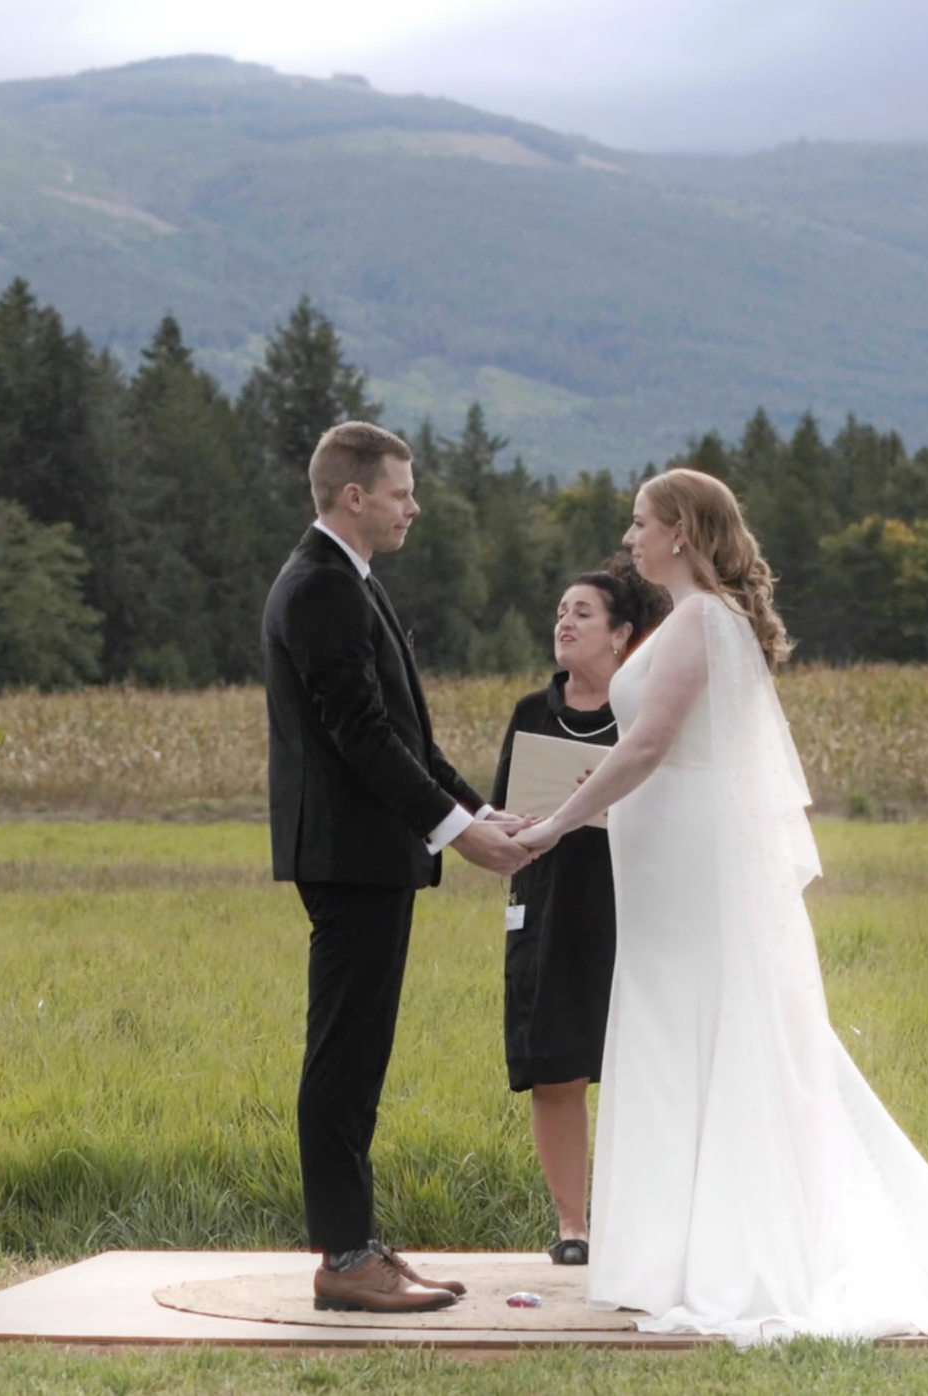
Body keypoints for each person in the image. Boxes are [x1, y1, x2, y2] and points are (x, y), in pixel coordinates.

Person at [513, 468, 928, 1348]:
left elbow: (649, 742)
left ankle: (712, 1254)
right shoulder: (695, 620)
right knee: (675, 1027)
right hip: (666, 859)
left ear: (680, 532)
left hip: (686, 860)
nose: (630, 539)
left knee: (698, 1024)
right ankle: (669, 1252)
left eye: (640, 523)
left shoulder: (701, 621)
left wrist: (557, 823)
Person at [262, 421, 533, 1315]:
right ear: (354, 496)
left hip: (372, 855)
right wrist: (457, 833)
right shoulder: (320, 587)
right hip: (351, 858)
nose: (413, 506)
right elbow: (362, 736)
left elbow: (407, 734)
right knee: (343, 1060)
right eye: (401, 492)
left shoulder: (352, 579)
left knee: (360, 1055)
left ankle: (358, 1243)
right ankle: (345, 1258)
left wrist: (478, 809)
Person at [490, 559, 670, 1266]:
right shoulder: (531, 713)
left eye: (583, 613)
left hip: (631, 901)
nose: (565, 622)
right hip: (550, 902)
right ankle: (574, 1226)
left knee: (645, 1064)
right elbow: (503, 809)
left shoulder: (647, 713)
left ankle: (647, 1221)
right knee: (554, 1067)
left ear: (622, 634)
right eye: (561, 611)